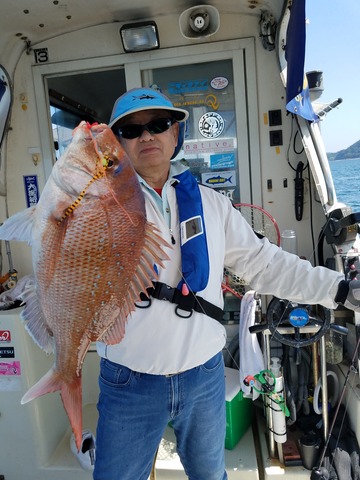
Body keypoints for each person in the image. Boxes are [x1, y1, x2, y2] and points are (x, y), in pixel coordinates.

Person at [93, 86, 360, 480]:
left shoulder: (212, 204)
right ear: (116, 144)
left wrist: (339, 289)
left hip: (203, 377)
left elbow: (266, 264)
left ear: (175, 134)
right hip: (127, 380)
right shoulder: (95, 209)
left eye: (158, 124)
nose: (146, 135)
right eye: (131, 130)